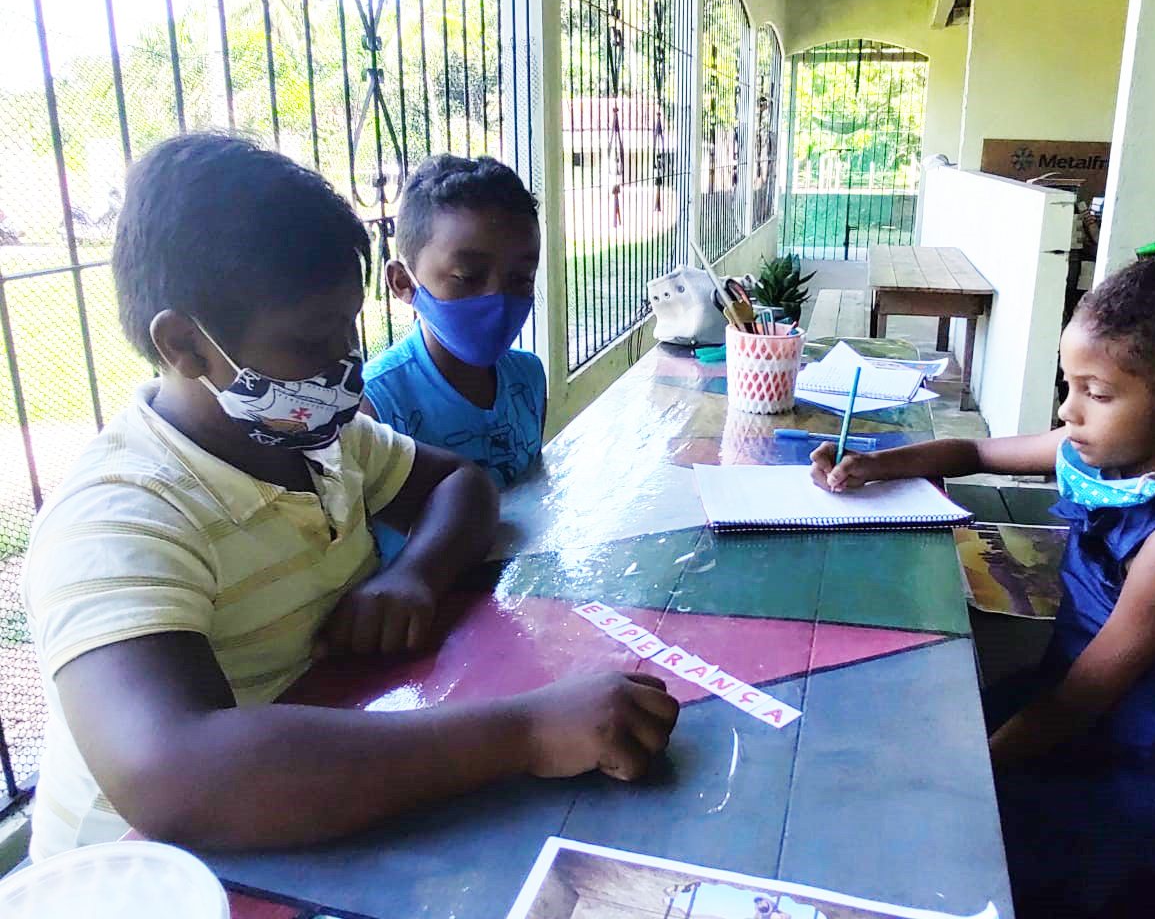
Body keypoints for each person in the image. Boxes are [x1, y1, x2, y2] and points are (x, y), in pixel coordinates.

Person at [21, 133, 678, 861]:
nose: (346, 365)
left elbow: (460, 485)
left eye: (348, 329)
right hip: (153, 875)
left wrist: (412, 576)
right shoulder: (117, 515)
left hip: (316, 794)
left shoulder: (317, 438)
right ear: (185, 344)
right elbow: (174, 774)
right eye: (311, 341)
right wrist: (524, 732)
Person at [811, 186, 1155, 916]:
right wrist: (880, 463)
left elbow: (1084, 700)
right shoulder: (1098, 452)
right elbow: (973, 446)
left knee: (944, 849)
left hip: (1131, 770)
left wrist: (966, 770)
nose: (1067, 410)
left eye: (1094, 391)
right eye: (1069, 384)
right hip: (1061, 711)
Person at [363, 154, 546, 565]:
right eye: (467, 277)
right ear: (403, 282)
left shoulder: (528, 379)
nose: (496, 301)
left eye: (521, 280)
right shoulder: (375, 404)